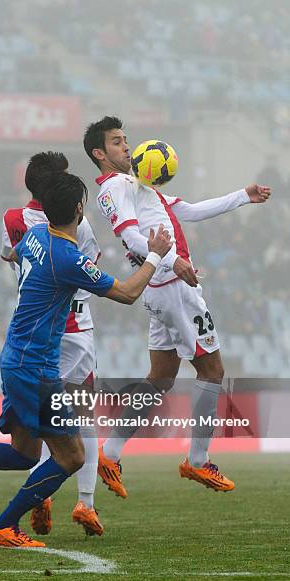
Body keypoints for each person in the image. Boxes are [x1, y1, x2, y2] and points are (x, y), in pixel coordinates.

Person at [0, 170, 172, 548]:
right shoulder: (67, 257)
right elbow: (127, 293)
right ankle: (4, 525)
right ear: (79, 209)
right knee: (73, 456)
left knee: (24, 454)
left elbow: (13, 254)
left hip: (15, 357)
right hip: (36, 370)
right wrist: (155, 255)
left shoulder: (34, 236)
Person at [83, 116, 271, 497]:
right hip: (173, 287)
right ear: (100, 154)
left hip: (162, 287)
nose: (127, 147)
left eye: (127, 140)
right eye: (118, 142)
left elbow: (188, 210)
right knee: (212, 369)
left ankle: (111, 452)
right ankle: (198, 460)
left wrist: (241, 196)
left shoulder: (137, 185)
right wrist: (172, 262)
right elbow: (132, 237)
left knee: (162, 376)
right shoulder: (117, 186)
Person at [1, 151, 103, 536]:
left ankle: (42, 497)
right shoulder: (74, 226)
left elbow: (11, 256)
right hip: (73, 327)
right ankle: (85, 502)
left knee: (44, 421)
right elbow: (88, 268)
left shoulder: (14, 220)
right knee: (78, 415)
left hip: (31, 327)